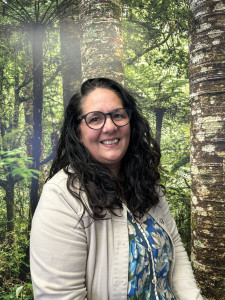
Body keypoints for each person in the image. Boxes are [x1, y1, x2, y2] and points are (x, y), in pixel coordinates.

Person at [30, 77, 202, 300]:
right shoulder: (61, 197)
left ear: (130, 121)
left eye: (118, 115)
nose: (109, 127)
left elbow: (176, 251)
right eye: (95, 119)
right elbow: (60, 296)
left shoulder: (146, 184)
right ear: (78, 132)